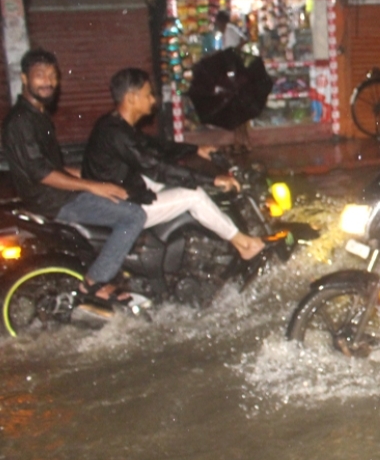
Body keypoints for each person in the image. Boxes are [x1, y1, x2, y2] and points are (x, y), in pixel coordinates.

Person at [1, 49, 146, 305]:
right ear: (25, 78)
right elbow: (42, 173)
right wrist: (94, 186)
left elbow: (54, 166)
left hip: (56, 193)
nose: (47, 81)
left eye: (52, 75)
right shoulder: (21, 121)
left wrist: (96, 176)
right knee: (134, 216)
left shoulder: (38, 115)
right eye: (39, 75)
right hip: (55, 200)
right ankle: (95, 281)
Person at [82, 68, 266, 261]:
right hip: (122, 207)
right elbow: (157, 167)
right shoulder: (117, 134)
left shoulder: (114, 124)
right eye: (148, 95)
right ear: (132, 98)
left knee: (181, 178)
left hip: (123, 191)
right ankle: (244, 244)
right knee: (194, 195)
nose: (153, 100)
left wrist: (194, 150)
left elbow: (154, 146)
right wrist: (212, 180)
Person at [213, 10, 253, 150]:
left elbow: (238, 45)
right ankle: (241, 142)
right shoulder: (228, 32)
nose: (216, 25)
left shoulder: (229, 32)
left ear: (221, 22)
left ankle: (243, 142)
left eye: (217, 22)